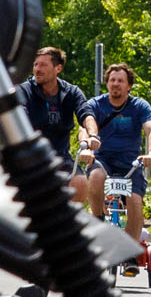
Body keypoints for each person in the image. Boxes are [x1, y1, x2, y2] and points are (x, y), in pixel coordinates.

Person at [83, 63, 151, 265]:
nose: (115, 84)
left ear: (129, 86)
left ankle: (129, 253)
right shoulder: (96, 104)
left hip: (130, 163)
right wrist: (87, 148)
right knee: (96, 176)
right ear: (107, 83)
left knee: (135, 201)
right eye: (112, 80)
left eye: (120, 81)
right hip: (102, 159)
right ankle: (98, 221)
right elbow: (85, 126)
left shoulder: (139, 106)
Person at [17, 47, 98, 202]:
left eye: (43, 65)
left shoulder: (71, 92)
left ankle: (70, 224)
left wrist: (93, 135)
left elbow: (86, 114)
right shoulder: (24, 90)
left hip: (61, 157)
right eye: (35, 65)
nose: (37, 69)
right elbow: (20, 116)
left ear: (58, 68)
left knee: (80, 182)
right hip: (30, 158)